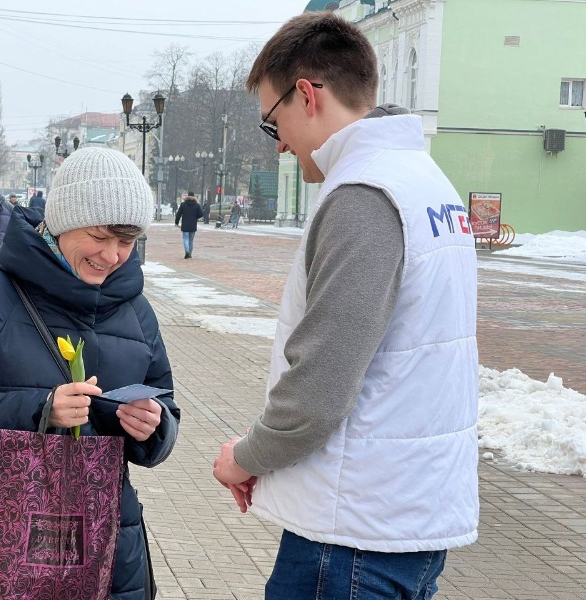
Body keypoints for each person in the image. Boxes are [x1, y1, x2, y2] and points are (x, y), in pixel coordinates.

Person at [212, 12, 478, 600]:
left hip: (352, 535)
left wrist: (246, 456)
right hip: (405, 517)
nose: (279, 143)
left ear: (306, 95)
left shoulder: (364, 195)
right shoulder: (426, 182)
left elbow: (322, 383)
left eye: (271, 122)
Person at [0, 147, 180, 600]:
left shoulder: (137, 312)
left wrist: (152, 426)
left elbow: (165, 406)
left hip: (104, 552)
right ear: (62, 222)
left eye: (127, 241)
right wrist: (41, 410)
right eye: (100, 236)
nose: (113, 255)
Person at [174, 191, 203, 259]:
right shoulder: (197, 205)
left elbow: (178, 214)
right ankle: (190, 253)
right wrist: (195, 216)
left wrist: (176, 222)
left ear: (187, 196)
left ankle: (186, 251)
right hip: (193, 225)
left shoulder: (183, 204)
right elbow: (201, 214)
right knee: (191, 240)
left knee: (185, 238)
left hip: (185, 225)